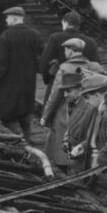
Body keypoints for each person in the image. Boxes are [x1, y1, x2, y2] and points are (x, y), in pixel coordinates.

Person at [0, 3, 42, 141]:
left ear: (15, 19)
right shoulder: (34, 35)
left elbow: (2, 62)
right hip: (28, 81)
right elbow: (42, 56)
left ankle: (16, 139)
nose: (6, 20)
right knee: (25, 111)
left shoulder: (6, 36)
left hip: (9, 82)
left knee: (7, 113)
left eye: (8, 18)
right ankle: (28, 138)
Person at [40, 38, 91, 168]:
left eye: (65, 50)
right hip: (86, 108)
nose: (64, 52)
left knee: (61, 144)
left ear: (70, 51)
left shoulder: (64, 68)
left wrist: (45, 117)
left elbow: (54, 95)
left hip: (65, 111)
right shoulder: (90, 65)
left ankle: (62, 168)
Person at [39, 11, 85, 109]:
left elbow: (44, 62)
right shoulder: (90, 42)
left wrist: (49, 79)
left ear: (65, 22)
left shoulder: (55, 38)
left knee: (53, 114)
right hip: (82, 89)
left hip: (58, 86)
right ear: (78, 25)